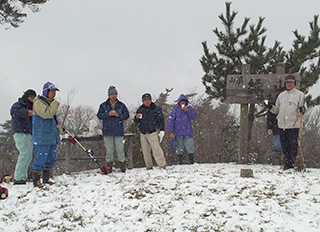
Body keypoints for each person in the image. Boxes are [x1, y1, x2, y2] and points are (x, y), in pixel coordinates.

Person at [270, 75, 306, 170]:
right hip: (282, 125)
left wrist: (302, 109)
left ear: (294, 83)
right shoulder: (281, 96)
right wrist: (270, 107)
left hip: (294, 125)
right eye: (287, 83)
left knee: (293, 146)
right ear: (285, 84)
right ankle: (287, 164)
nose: (289, 84)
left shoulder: (300, 95)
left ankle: (296, 164)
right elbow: (276, 110)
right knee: (285, 146)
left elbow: (303, 109)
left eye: (291, 82)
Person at [32, 81, 61, 187]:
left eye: (54, 92)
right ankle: (36, 180)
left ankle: (46, 178)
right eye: (51, 91)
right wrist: (56, 103)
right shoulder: (38, 102)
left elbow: (53, 119)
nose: (54, 94)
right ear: (46, 91)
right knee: (41, 158)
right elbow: (47, 114)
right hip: (42, 136)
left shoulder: (51, 103)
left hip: (51, 135)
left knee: (51, 158)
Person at [97, 86, 129, 173]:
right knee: (109, 151)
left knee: (120, 150)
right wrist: (108, 114)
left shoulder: (121, 105)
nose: (113, 96)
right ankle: (109, 167)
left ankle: (122, 166)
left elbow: (127, 115)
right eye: (111, 94)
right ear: (108, 95)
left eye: (115, 94)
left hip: (118, 131)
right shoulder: (103, 105)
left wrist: (119, 115)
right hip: (108, 131)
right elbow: (99, 115)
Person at [10, 89, 36, 185]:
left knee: (28, 155)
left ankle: (23, 176)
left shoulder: (29, 106)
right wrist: (27, 113)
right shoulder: (18, 105)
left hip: (28, 133)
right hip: (21, 132)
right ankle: (19, 177)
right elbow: (14, 112)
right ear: (29, 97)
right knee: (25, 154)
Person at [134, 93, 166, 170]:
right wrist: (136, 118)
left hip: (153, 131)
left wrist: (162, 130)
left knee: (156, 149)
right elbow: (136, 121)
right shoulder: (140, 109)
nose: (147, 101)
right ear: (142, 101)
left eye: (148, 100)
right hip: (143, 132)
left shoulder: (156, 109)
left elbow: (161, 120)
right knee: (145, 151)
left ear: (151, 100)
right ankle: (149, 166)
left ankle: (162, 165)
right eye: (145, 100)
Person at [168, 94, 197, 165]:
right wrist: (171, 132)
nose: (183, 103)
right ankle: (179, 162)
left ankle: (192, 162)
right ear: (179, 103)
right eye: (181, 102)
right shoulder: (175, 111)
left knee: (190, 147)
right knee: (179, 148)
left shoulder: (189, 109)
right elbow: (170, 121)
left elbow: (194, 116)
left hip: (188, 132)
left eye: (184, 102)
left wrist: (188, 110)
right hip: (178, 133)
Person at [266, 87, 286, 152]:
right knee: (278, 146)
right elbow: (270, 116)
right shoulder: (275, 103)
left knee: (288, 146)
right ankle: (277, 159)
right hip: (277, 127)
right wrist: (269, 127)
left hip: (289, 128)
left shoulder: (290, 102)